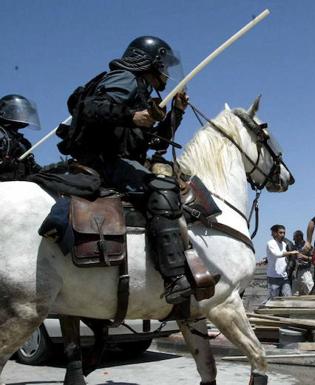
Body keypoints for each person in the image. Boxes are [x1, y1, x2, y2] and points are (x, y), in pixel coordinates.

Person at [56, 36, 192, 304]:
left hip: (120, 160)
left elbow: (155, 143)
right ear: (150, 62)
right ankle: (174, 277)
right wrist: (132, 116)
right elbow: (93, 108)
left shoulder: (141, 90)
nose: (166, 71)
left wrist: (176, 113)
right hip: (104, 160)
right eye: (163, 65)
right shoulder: (126, 78)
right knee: (162, 188)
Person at [0, 94, 41, 181]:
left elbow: (35, 170)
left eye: (26, 112)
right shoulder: (2, 136)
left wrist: (60, 166)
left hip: (17, 189)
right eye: (20, 110)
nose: (24, 114)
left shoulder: (23, 143)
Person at [266, 224, 298, 300]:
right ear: (275, 233)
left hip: (284, 277)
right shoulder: (270, 243)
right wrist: (291, 252)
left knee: (289, 298)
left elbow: (284, 259)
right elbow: (277, 254)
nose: (283, 235)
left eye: (284, 233)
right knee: (273, 300)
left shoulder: (284, 244)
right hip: (273, 277)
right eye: (280, 232)